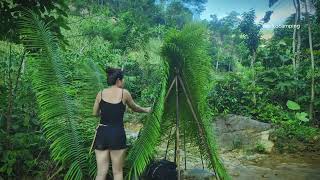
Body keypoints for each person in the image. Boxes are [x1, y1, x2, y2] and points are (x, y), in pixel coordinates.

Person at [92, 67, 151, 180]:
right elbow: (135, 108)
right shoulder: (124, 93)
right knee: (118, 172)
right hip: (117, 134)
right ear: (119, 80)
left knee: (100, 173)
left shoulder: (100, 93)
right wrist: (146, 110)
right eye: (123, 80)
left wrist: (105, 113)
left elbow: (95, 113)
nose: (123, 82)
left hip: (102, 133)